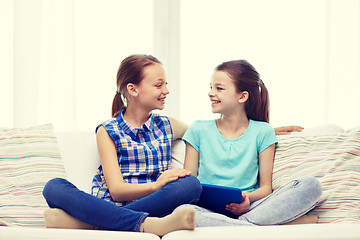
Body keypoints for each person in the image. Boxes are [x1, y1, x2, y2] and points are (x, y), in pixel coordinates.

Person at [42, 54, 203, 237]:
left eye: (166, 84)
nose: (166, 90)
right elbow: (117, 191)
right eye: (159, 85)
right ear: (133, 90)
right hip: (113, 203)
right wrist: (156, 185)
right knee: (53, 187)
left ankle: (93, 223)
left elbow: (201, 134)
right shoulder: (108, 130)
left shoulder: (169, 125)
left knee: (191, 185)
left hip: (153, 203)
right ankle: (146, 224)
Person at [182, 59, 322, 227]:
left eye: (219, 88)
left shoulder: (263, 132)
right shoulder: (198, 130)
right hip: (206, 209)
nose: (210, 93)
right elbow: (188, 186)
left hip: (251, 207)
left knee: (311, 186)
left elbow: (265, 188)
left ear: (242, 96)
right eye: (211, 87)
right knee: (184, 212)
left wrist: (247, 199)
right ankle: (252, 228)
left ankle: (239, 225)